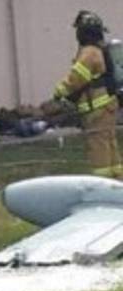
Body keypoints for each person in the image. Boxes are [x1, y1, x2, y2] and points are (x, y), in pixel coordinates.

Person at [54, 11, 120, 174]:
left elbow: (77, 78)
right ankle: (117, 181)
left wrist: (59, 90)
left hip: (96, 109)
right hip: (107, 106)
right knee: (109, 143)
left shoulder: (89, 53)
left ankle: (102, 184)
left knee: (98, 145)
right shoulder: (99, 50)